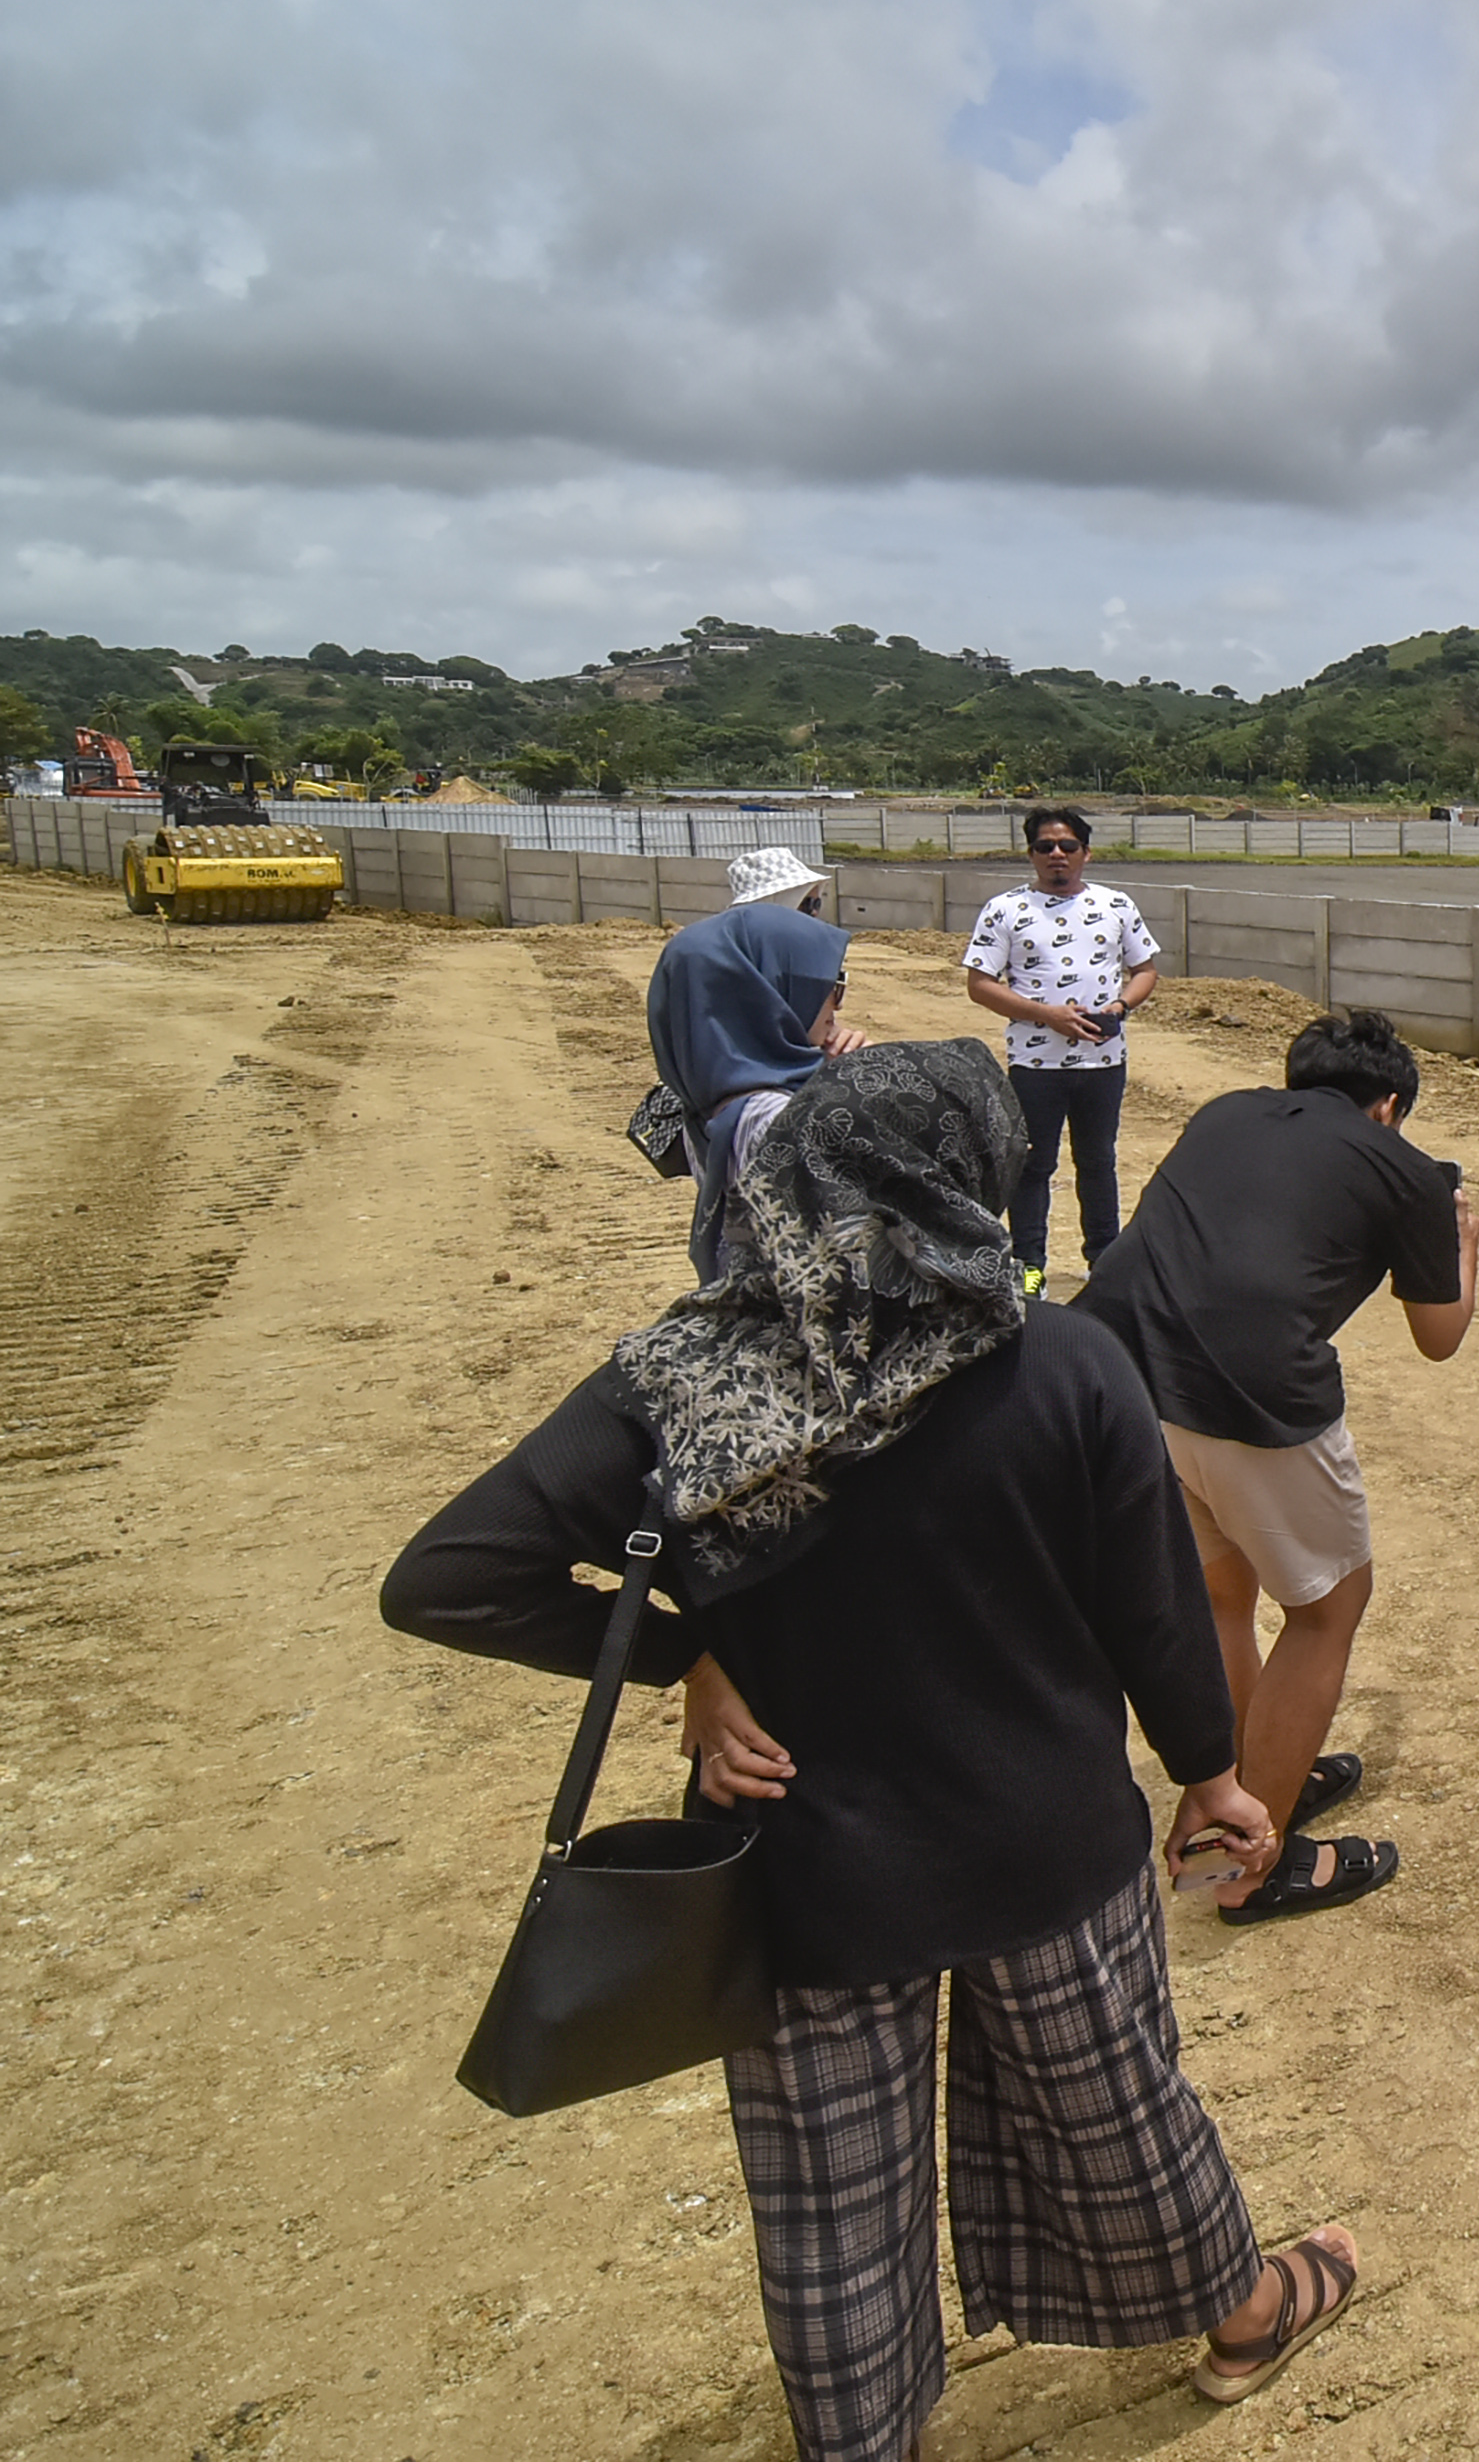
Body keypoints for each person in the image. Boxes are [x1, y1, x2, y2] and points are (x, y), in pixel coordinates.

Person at [381, 1041, 1365, 2457]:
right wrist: (1213, 1773)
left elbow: (447, 1577)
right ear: (976, 1178)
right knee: (1120, 2109)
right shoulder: (1064, 1360)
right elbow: (1152, 1606)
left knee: (832, 2207)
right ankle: (1244, 2307)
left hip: (811, 1877)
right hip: (1044, 1844)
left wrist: (687, 1653)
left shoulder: (681, 1379)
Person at [1073, 1010, 1479, 1923]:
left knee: (1223, 1595)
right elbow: (1440, 1337)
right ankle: (1248, 1865)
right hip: (1247, 1393)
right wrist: (1465, 1243)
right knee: (1329, 1605)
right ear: (1388, 1107)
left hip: (1116, 1376)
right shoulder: (1403, 1166)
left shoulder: (1225, 1112)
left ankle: (1253, 1781)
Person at [641, 848, 869, 1284]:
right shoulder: (775, 1119)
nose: (837, 1004)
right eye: (828, 986)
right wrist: (862, 1092)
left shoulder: (715, 1088)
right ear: (771, 993)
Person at [961, 805, 1161, 1297]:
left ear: (1085, 853)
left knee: (1098, 1161)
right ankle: (1029, 1267)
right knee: (1032, 1164)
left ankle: (1105, 1261)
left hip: (1103, 1062)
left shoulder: (1116, 906)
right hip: (1035, 1064)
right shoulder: (1005, 910)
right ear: (1030, 854)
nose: (1057, 855)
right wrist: (1045, 1014)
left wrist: (1120, 1006)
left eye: (1067, 846)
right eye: (1045, 846)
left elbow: (1146, 971)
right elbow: (980, 985)